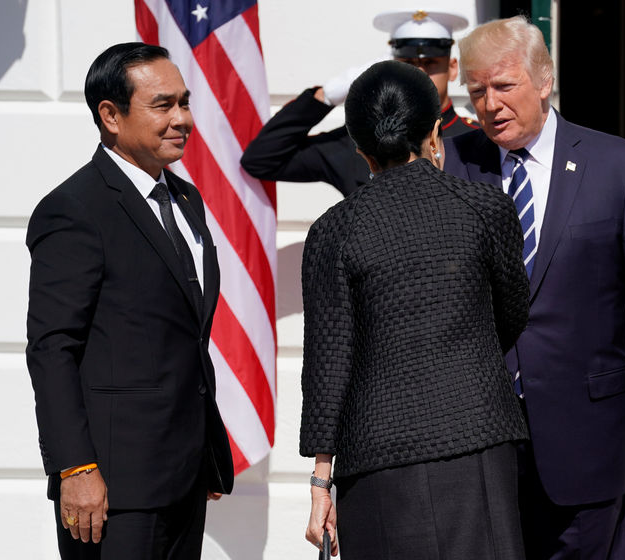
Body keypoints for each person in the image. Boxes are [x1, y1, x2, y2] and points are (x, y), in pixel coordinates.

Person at [443, 16, 625, 559]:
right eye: (477, 90)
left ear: (544, 79)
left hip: (590, 434)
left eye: (504, 86)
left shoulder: (619, 167)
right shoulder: (454, 163)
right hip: (483, 439)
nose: (489, 104)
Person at [300, 60, 530, 559]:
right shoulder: (486, 208)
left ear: (360, 148)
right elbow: (510, 317)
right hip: (478, 439)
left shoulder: (333, 231)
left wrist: (321, 483)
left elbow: (327, 365)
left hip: (376, 455)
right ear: (433, 130)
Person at [25, 42, 234, 559]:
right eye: (163, 105)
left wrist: (202, 446)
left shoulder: (187, 198)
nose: (182, 119)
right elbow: (52, 350)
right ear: (111, 116)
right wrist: (75, 468)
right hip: (112, 489)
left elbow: (183, 330)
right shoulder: (72, 210)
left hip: (184, 475)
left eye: (184, 103)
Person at [240, 9, 479, 197]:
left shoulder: (476, 140)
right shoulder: (357, 140)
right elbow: (261, 160)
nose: (418, 72)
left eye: (430, 63)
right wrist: (326, 96)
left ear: (452, 68)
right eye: (407, 62)